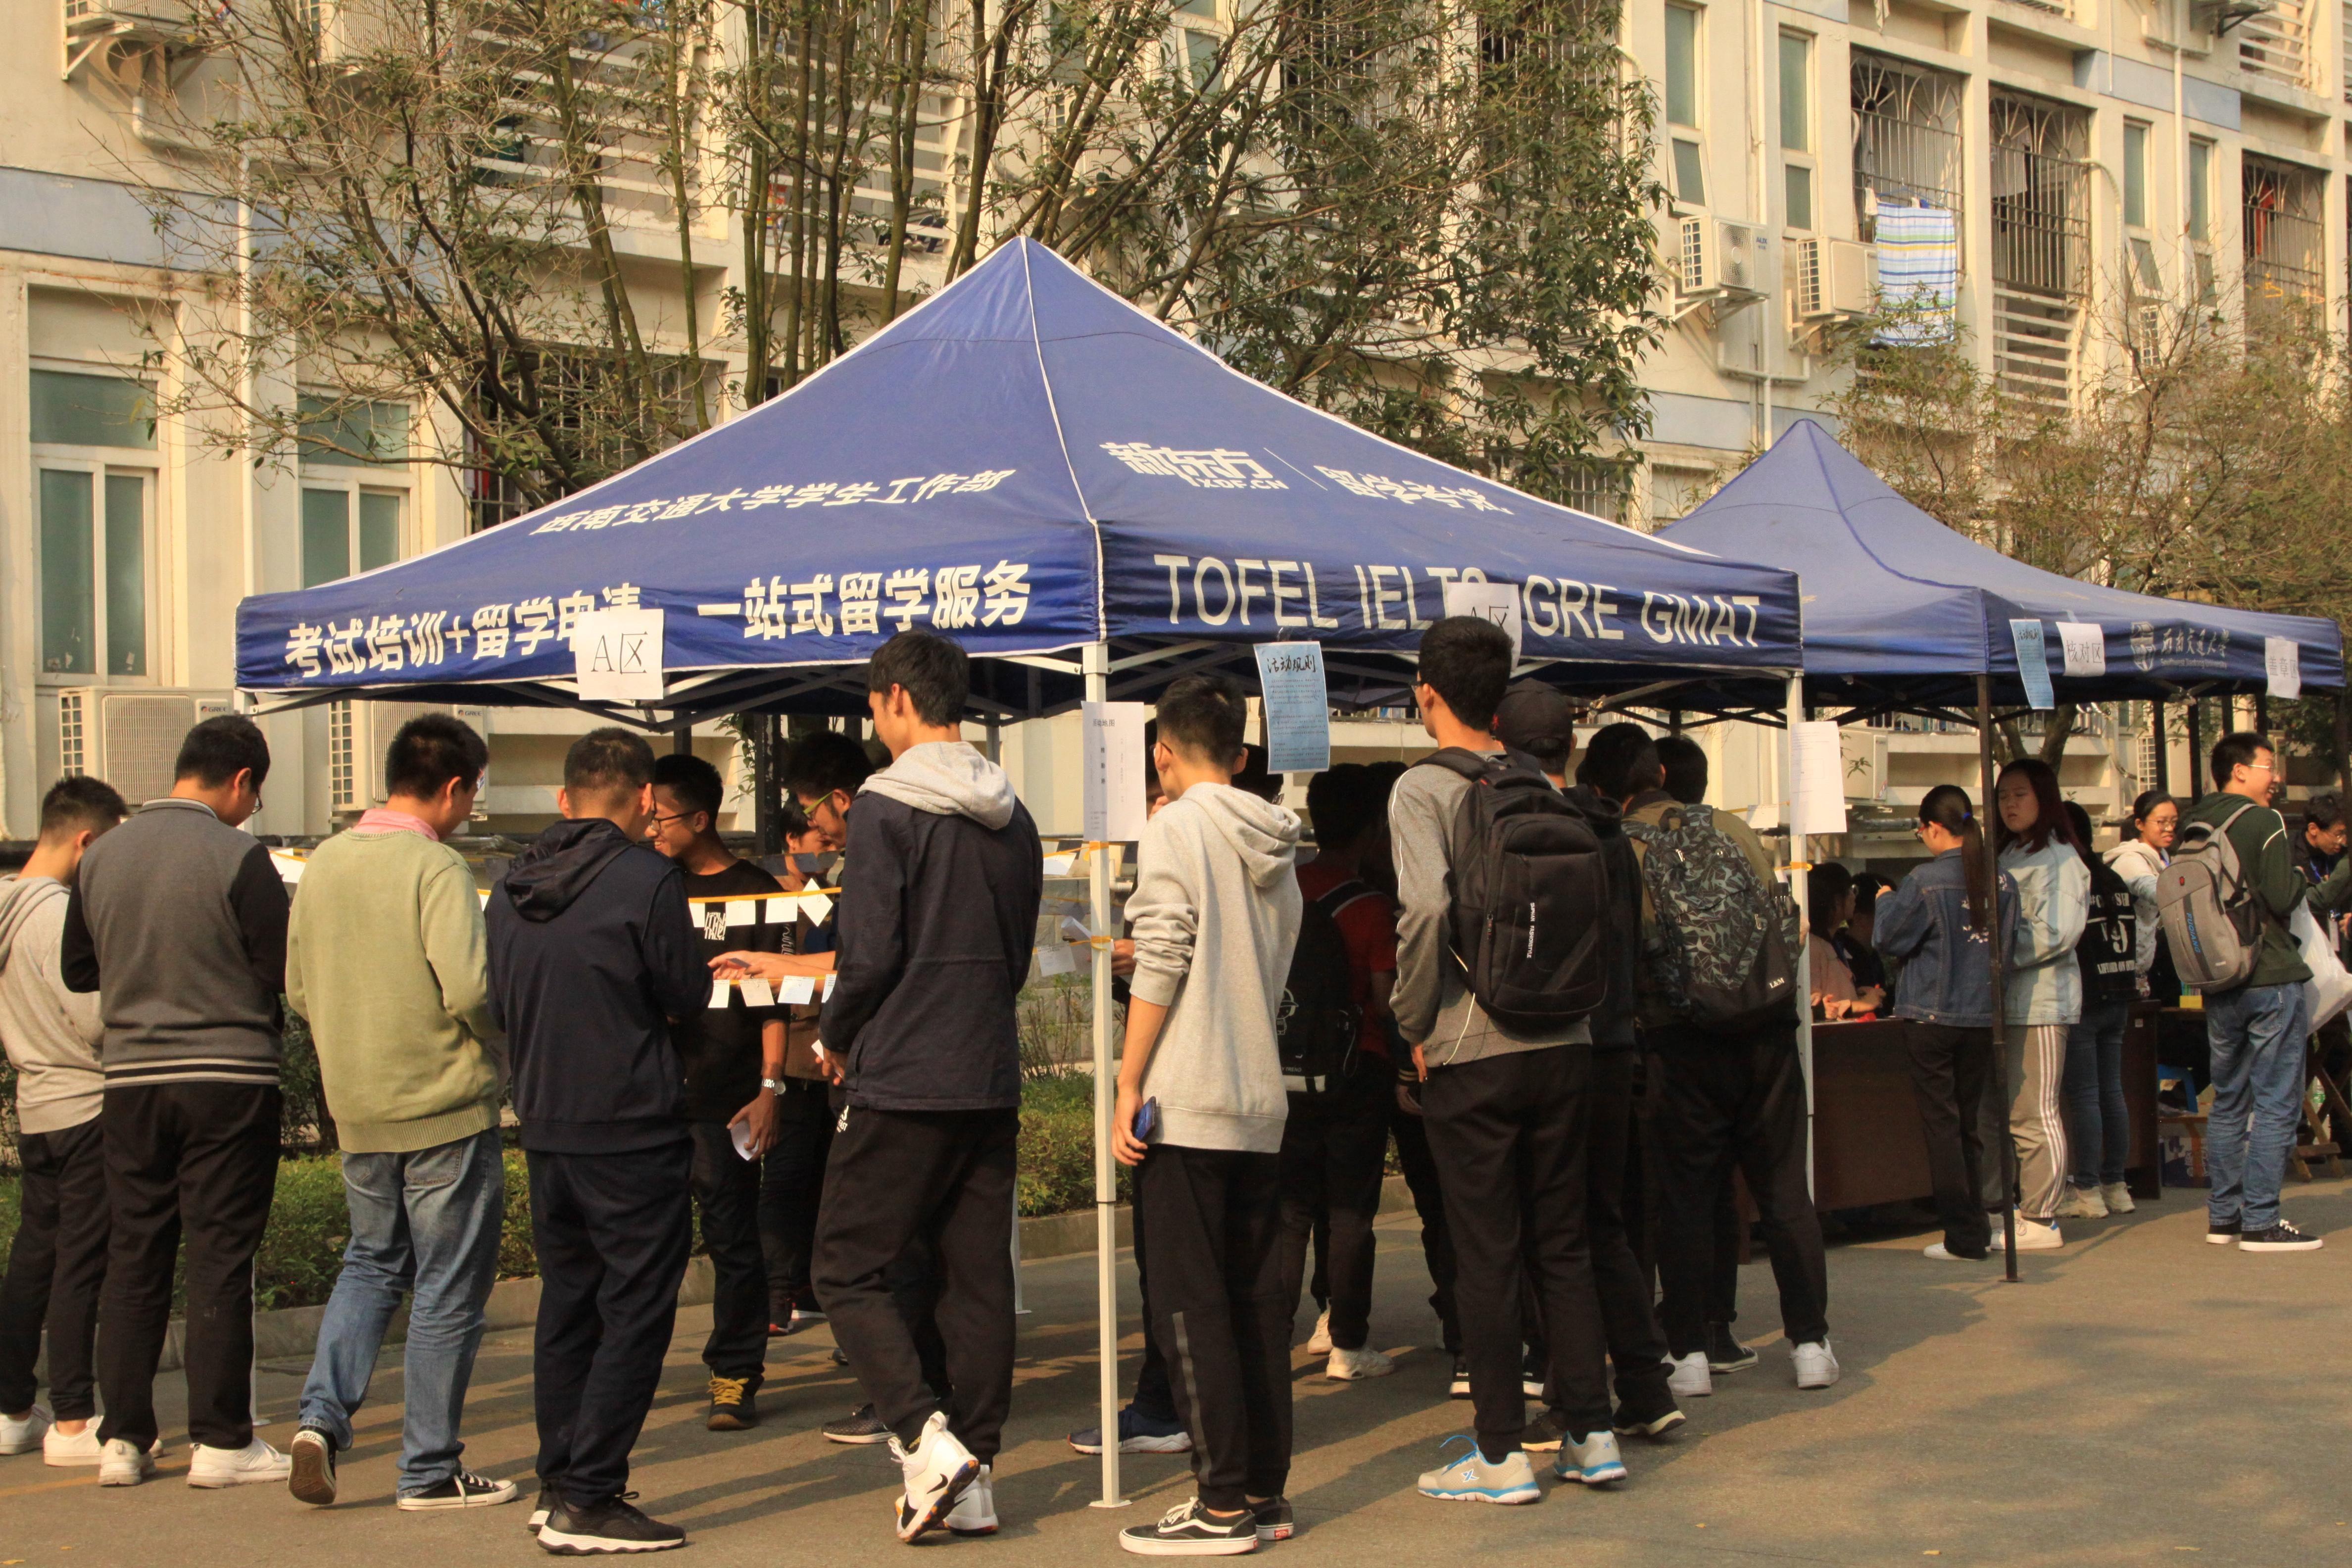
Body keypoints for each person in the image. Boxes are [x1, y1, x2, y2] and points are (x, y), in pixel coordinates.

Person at [800, 630, 1043, 1543]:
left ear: (896, 698)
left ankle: (921, 1435)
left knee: (843, 1264)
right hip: (986, 1068)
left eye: (873, 704)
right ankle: (975, 1476)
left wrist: (833, 1035)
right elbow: (1016, 953)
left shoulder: (884, 805)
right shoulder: (1013, 814)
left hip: (903, 1073)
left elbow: (868, 956)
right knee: (976, 1279)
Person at [1394, 617, 1617, 1507]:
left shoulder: (1423, 788)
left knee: (1486, 1254)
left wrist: (1413, 1020)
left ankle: (1499, 1453)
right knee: (1562, 1244)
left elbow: (1422, 913)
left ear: (1427, 693)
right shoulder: (1540, 782)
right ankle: (1591, 1434)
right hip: (1566, 1041)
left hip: (1470, 1047)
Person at [282, 715, 513, 1511]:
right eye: (473, 793)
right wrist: (500, 1039)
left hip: (358, 1106)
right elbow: (473, 990)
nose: (470, 809)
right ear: (454, 787)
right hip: (444, 1105)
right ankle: (428, 1469)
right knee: (447, 1288)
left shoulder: (324, 862)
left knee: (370, 1264)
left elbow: (299, 989)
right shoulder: (435, 865)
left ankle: (319, 1421)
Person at [488, 727, 709, 1553]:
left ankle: (559, 1482)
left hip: (545, 1120)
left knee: (570, 1303)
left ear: (564, 797)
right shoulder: (647, 879)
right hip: (631, 1122)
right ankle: (591, 1496)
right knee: (637, 1308)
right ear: (646, 799)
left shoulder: (510, 884)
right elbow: (685, 991)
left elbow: (498, 1001)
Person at [61, 715, 293, 1489]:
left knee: (135, 1254)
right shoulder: (238, 856)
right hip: (229, 1080)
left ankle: (124, 1440)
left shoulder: (103, 855)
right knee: (220, 1256)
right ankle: (222, 1442)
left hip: (131, 1083)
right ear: (240, 781)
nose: (250, 810)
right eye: (254, 796)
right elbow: (280, 967)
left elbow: (78, 968)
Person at [1110, 673, 1304, 1554]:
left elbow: (1163, 954)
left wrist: (1127, 1082)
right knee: (1255, 1307)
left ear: (1163, 752)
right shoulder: (1277, 838)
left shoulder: (1175, 827)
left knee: (1188, 1309)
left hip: (1185, 1101)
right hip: (1259, 1100)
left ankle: (1220, 1502)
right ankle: (1261, 1490)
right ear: (1240, 753)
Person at [1497, 686, 1682, 1449]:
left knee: (1553, 1232)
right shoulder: (1610, 831)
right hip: (1615, 1042)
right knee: (1601, 1224)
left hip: (1554, 1044)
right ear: (1570, 748)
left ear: (1503, 745)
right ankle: (1644, 1386)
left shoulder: (1525, 825)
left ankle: (1576, 1401)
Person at [1625, 734, 1834, 1396]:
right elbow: (1779, 917)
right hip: (1765, 1028)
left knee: (1685, 1199)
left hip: (1680, 1039)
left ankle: (1689, 1353)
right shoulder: (1736, 830)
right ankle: (1810, 1345)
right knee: (1783, 1192)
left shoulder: (1627, 845)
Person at [646, 752, 788, 1430]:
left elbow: (774, 1003)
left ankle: (735, 1375)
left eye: (662, 818)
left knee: (733, 1241)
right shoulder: (652, 886)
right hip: (654, 1099)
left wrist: (770, 1088)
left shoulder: (757, 891)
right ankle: (632, 1372)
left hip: (728, 1100)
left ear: (700, 819)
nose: (652, 829)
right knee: (650, 1245)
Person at [0, 777, 128, 1467]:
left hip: (36, 1104)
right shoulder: (56, 916)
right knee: (81, 1261)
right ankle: (74, 1422)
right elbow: (94, 1019)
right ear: (85, 842)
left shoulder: (8, 908)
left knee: (35, 1257)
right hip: (85, 1104)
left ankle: (14, 1409)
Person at [1277, 764, 1399, 1381]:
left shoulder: (1284, 890)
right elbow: (1385, 999)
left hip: (1285, 1070)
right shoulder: (1371, 906)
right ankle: (1348, 1343)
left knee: (1290, 1209)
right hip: (1359, 1070)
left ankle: (1272, 1336)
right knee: (1350, 1209)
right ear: (1373, 829)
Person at [2183, 732, 2322, 1251]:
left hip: (2219, 978)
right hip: (2269, 973)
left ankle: (2225, 1216)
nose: (2276, 777)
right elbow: (2283, 896)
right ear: (2239, 771)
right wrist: (2300, 875)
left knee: (2229, 1100)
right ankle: (2262, 1220)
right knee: (2277, 1101)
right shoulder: (2263, 821)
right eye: (2268, 766)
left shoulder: (2194, 824)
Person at [1641, 733, 1749, 1382]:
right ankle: (1719, 1327)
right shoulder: (1737, 832)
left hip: (1666, 1031)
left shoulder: (1638, 839)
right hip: (1743, 1026)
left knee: (1674, 1192)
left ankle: (1680, 1339)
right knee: (1720, 1190)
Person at [759, 740, 871, 1339]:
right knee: (787, 1179)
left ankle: (815, 1289)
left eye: (828, 840)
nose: (825, 846)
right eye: (815, 839)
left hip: (838, 1053)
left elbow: (854, 962)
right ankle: (779, 1290)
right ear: (791, 839)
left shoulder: (845, 887)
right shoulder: (768, 892)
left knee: (833, 1181)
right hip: (796, 1055)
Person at [1876, 785, 2015, 1262]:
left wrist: (1885, 900)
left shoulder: (1924, 879)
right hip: (1982, 1017)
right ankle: (1977, 1227)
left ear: (1934, 827)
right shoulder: (2002, 881)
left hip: (1931, 1017)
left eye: (1921, 830)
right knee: (1969, 1126)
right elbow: (2008, 950)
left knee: (1943, 1129)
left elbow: (1889, 939)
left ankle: (1963, 1236)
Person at [1990, 758, 2090, 1251]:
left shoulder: (2061, 860)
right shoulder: (2008, 854)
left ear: (2044, 798)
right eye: (2003, 795)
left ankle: (2042, 1215)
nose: (2010, 804)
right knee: (2015, 1113)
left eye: (2020, 794)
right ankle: (2024, 1206)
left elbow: (2059, 933)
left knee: (2036, 1111)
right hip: (2008, 1002)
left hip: (2043, 1001)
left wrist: (1996, 954)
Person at [2057, 801, 2139, 1223]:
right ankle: (2116, 1186)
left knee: (2086, 1097)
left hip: (2085, 998)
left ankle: (2087, 1189)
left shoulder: (2074, 879)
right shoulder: (2114, 878)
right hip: (2119, 994)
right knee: (2112, 1092)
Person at [2107, 791, 2178, 1004]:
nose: (2169, 828)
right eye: (2162, 822)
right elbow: (2154, 890)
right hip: (2130, 967)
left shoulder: (2163, 858)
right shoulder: (2131, 860)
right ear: (2140, 824)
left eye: (2174, 822)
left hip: (2152, 963)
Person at [1807, 864, 1885, 1020]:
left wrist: (1858, 994)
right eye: (1850, 890)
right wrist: (1862, 1004)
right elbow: (1814, 1007)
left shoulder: (1833, 943)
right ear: (1836, 901)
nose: (1854, 896)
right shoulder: (1812, 947)